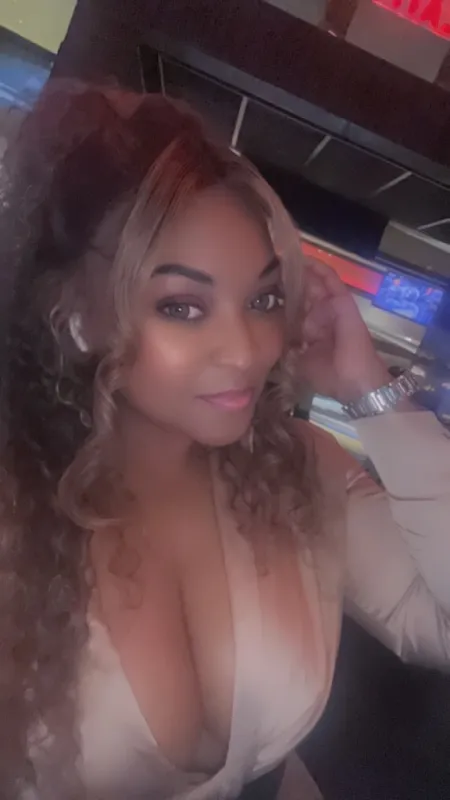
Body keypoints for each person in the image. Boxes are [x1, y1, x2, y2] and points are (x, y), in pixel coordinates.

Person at [0, 83, 449, 800]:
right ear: (74, 314)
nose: (245, 349)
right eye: (183, 306)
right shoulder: (16, 510)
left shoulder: (297, 470)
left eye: (263, 299)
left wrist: (367, 385)